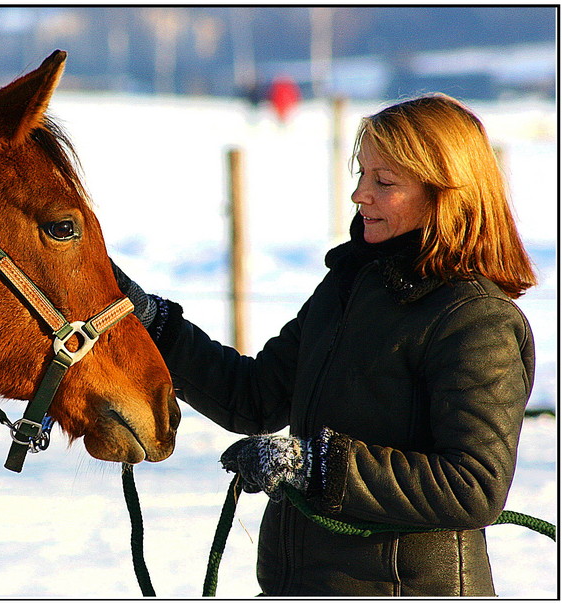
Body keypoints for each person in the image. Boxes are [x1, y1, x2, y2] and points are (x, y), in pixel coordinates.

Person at [114, 93, 537, 596]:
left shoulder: (475, 319)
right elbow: (255, 397)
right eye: (361, 174)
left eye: (384, 182)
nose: (360, 195)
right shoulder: (348, 287)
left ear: (446, 193)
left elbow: (472, 486)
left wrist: (314, 464)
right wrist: (152, 323)